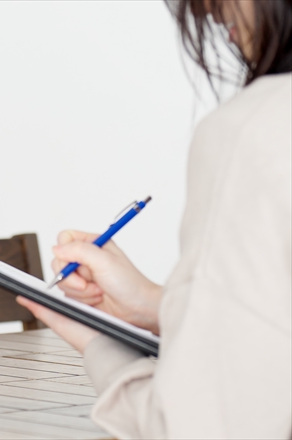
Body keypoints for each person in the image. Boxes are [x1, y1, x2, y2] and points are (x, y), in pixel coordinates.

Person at [17, 0, 291, 438]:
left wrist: (99, 342)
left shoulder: (254, 130)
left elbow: (202, 427)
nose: (211, 14)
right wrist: (155, 305)